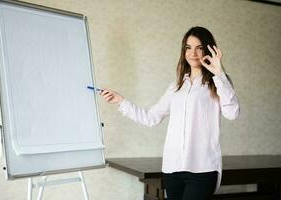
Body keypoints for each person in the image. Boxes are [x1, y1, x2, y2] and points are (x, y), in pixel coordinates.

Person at [100, 26, 240, 200]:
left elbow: (232, 113)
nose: (193, 53)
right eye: (188, 48)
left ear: (209, 49)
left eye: (199, 47)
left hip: (202, 168)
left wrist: (219, 73)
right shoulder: (176, 87)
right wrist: (121, 101)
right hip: (172, 168)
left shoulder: (217, 83)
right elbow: (151, 118)